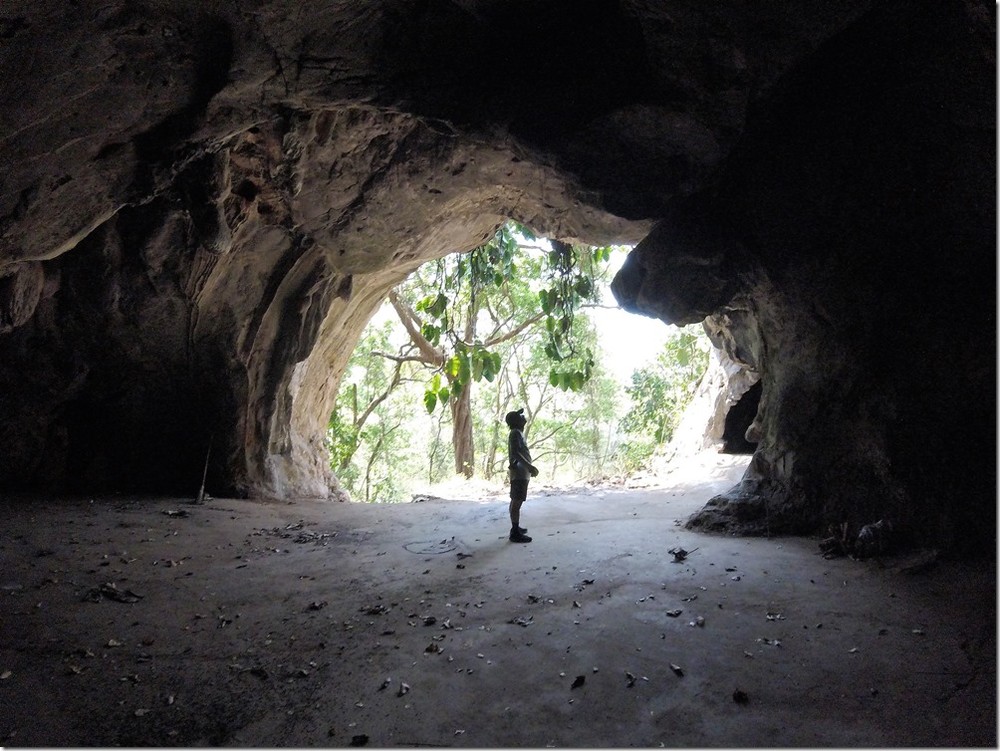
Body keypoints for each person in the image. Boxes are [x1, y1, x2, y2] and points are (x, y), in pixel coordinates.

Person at [505, 408, 538, 543]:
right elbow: (515, 453)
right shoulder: (515, 434)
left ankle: (516, 527)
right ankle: (515, 531)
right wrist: (529, 467)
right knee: (517, 501)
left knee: (515, 500)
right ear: (516, 421)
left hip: (520, 472)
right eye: (520, 416)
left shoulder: (517, 433)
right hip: (519, 472)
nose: (524, 417)